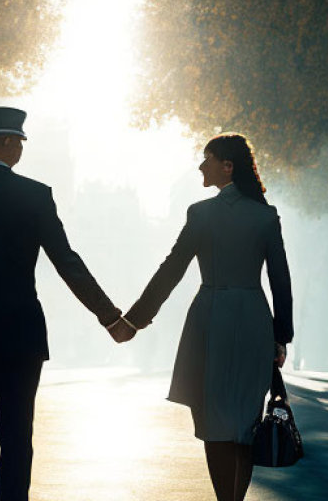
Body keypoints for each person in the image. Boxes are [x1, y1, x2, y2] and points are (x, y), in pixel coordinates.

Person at [0, 106, 128, 501]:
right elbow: (67, 262)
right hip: (21, 335)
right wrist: (110, 317)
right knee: (16, 440)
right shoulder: (35, 195)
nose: (20, 150)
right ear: (2, 141)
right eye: (17, 142)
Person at [121, 133, 293, 501]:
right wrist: (282, 336)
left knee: (214, 420)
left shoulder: (200, 214)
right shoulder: (265, 216)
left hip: (209, 318)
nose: (201, 166)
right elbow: (280, 279)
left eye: (207, 159)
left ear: (227, 166)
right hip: (253, 320)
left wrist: (136, 318)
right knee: (246, 421)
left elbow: (173, 269)